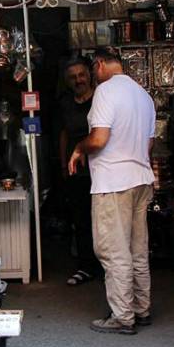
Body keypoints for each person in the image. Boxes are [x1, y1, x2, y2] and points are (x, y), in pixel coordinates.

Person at [68, 48, 155, 335]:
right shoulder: (143, 95)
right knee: (137, 250)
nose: (93, 75)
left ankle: (122, 316)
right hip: (141, 178)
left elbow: (99, 138)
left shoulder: (105, 92)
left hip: (113, 182)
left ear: (100, 64)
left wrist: (80, 148)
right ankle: (141, 309)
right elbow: (149, 145)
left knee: (113, 251)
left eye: (93, 70)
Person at [58, 57, 102, 286]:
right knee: (81, 220)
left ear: (89, 75)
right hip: (77, 171)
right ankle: (86, 267)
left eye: (81, 75)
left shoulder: (100, 99)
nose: (78, 80)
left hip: (100, 169)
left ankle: (107, 268)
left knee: (102, 219)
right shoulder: (66, 103)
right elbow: (64, 133)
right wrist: (63, 164)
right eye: (73, 77)